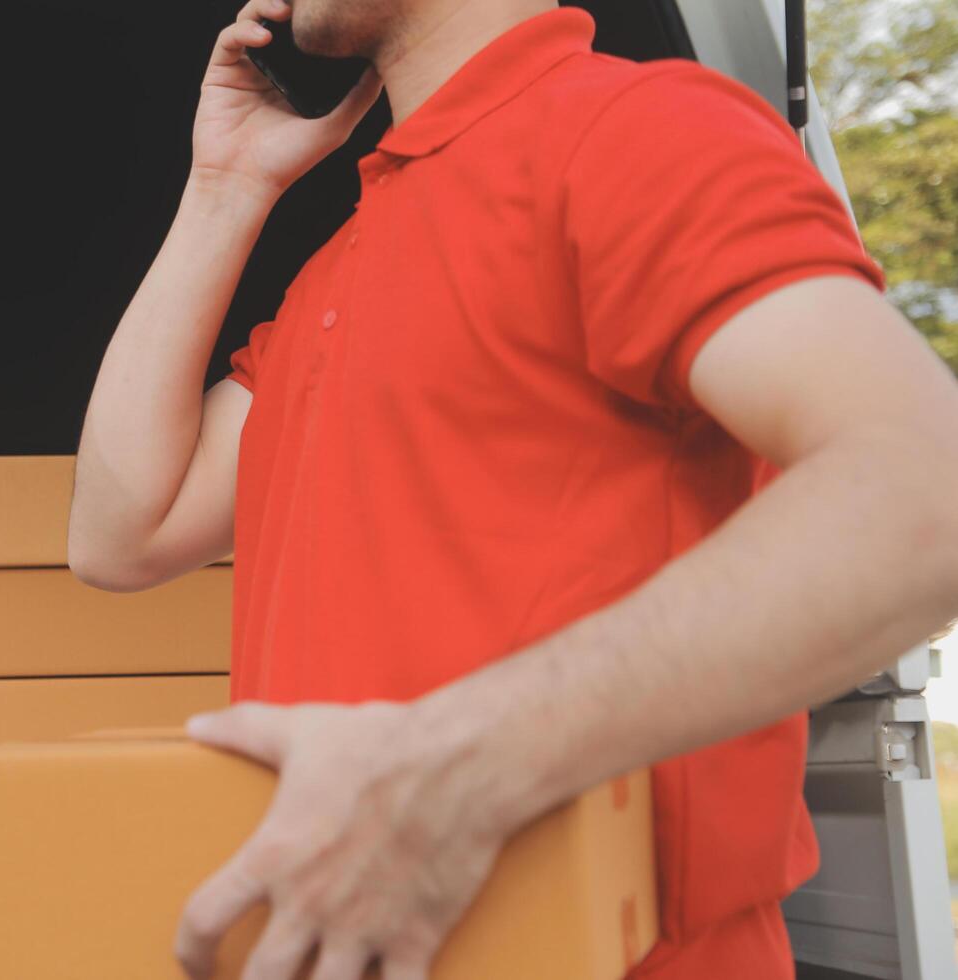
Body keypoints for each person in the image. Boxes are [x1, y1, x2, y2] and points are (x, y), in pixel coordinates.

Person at [67, 0, 958, 976]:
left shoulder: (628, 131)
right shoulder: (347, 259)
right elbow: (120, 533)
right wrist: (222, 188)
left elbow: (919, 487)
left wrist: (456, 767)